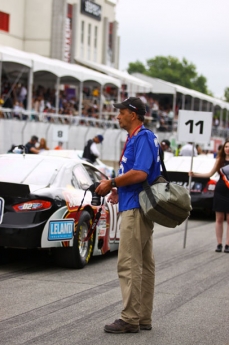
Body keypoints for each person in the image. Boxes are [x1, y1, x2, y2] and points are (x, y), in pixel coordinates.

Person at [95, 97, 161, 333]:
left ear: (133, 115)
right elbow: (136, 174)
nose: (117, 116)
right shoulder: (139, 136)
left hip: (136, 207)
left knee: (129, 263)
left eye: (120, 112)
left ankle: (130, 318)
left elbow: (141, 173)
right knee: (144, 263)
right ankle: (142, 317)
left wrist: (111, 181)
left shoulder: (142, 136)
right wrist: (118, 189)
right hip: (137, 203)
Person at [189, 140, 229, 253]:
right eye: (226, 146)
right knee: (219, 219)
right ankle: (219, 244)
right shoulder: (219, 161)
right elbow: (209, 174)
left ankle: (228, 244)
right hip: (220, 190)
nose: (227, 148)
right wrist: (194, 174)